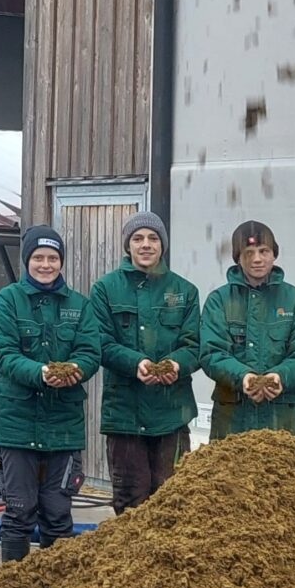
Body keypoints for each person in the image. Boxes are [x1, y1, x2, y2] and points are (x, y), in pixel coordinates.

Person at [0, 223, 99, 561]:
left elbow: (90, 351)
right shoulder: (8, 301)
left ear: (61, 262)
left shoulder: (79, 304)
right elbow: (2, 353)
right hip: (18, 427)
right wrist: (41, 373)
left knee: (58, 514)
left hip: (63, 428)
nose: (46, 265)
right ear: (27, 260)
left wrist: (74, 371)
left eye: (52, 258)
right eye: (38, 257)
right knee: (19, 512)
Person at [85, 210, 201, 511]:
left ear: (162, 244)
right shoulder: (105, 289)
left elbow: (196, 345)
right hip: (125, 415)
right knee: (130, 500)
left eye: (153, 238)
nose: (145, 244)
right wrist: (136, 364)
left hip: (172, 415)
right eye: (138, 238)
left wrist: (175, 365)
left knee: (172, 499)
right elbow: (100, 342)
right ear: (128, 245)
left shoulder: (184, 291)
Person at [198, 219, 295, 440]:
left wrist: (280, 376)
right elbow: (211, 354)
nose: (257, 259)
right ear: (237, 258)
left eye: (264, 251)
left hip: (285, 420)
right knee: (229, 475)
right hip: (233, 420)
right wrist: (243, 377)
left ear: (274, 254)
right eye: (248, 252)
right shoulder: (219, 301)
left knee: (286, 474)